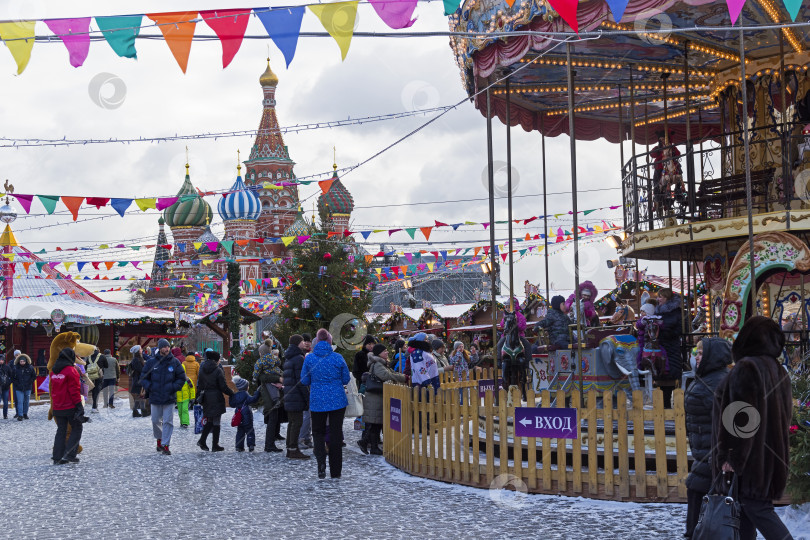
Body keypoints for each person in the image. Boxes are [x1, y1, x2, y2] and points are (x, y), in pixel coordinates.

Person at [712, 316, 793, 540]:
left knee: (756, 508)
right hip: (770, 457)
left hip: (750, 460)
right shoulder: (779, 371)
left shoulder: (746, 368)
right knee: (744, 512)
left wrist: (731, 457)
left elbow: (740, 418)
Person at [683, 338, 731, 538]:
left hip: (713, 454)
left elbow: (727, 421)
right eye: (696, 352)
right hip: (705, 452)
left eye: (701, 353)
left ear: (714, 356)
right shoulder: (707, 378)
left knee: (699, 494)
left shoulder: (716, 383)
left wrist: (725, 454)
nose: (696, 356)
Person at [301, 328, 351, 479]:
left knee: (318, 433)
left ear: (316, 342)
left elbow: (304, 380)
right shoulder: (338, 357)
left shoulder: (309, 359)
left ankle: (321, 464)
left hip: (317, 401)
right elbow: (346, 379)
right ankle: (336, 471)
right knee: (336, 434)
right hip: (337, 400)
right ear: (330, 342)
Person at [139, 339, 187, 455]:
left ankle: (166, 444)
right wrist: (150, 387)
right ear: (160, 348)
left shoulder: (175, 362)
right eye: (164, 347)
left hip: (169, 397)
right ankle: (159, 439)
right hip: (155, 396)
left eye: (167, 347)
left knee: (168, 421)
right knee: (155, 420)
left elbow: (181, 377)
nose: (166, 349)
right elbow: (143, 377)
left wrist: (173, 387)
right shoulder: (151, 362)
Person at [359, 344, 406, 455]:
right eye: (385, 351)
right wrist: (403, 378)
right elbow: (386, 375)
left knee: (377, 423)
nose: (387, 352)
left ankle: (367, 444)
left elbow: (392, 373)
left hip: (378, 396)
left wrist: (402, 376)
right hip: (375, 397)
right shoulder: (378, 364)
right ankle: (367, 443)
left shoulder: (382, 363)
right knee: (375, 423)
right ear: (379, 353)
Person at [50, 347, 85, 464]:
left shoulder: (53, 371)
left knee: (61, 430)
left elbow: (52, 389)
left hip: (58, 405)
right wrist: (79, 406)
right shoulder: (71, 370)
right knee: (77, 427)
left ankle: (57, 456)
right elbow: (74, 391)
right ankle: (69, 454)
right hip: (69, 405)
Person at [197, 350, 234, 452]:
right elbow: (223, 386)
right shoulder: (218, 370)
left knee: (209, 420)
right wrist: (232, 394)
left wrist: (199, 397)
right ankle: (214, 444)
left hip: (206, 397)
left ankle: (203, 440)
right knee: (216, 421)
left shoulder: (202, 369)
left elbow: (199, 384)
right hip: (216, 397)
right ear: (216, 360)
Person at [253, 339, 284, 453]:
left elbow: (257, 377)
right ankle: (269, 445)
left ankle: (270, 444)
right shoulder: (274, 363)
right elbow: (265, 377)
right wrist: (279, 378)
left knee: (273, 418)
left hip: (270, 395)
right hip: (271, 396)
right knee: (272, 419)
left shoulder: (260, 363)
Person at [283, 334, 311, 460]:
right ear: (297, 343)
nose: (304, 343)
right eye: (302, 341)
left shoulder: (288, 357)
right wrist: (307, 396)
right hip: (296, 395)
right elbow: (301, 380)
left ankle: (290, 448)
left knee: (292, 422)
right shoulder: (299, 358)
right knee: (297, 422)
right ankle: (294, 449)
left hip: (289, 394)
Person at [656, 288, 683, 408]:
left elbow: (679, 328)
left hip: (671, 345)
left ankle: (673, 404)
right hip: (661, 345)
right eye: (658, 297)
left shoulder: (676, 312)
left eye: (660, 297)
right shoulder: (658, 312)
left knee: (671, 372)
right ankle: (665, 404)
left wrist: (665, 331)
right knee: (662, 373)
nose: (658, 299)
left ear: (666, 298)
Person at [230, 376, 260, 452]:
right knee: (249, 430)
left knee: (240, 431)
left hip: (239, 415)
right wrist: (257, 393)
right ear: (246, 387)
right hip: (247, 415)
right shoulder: (246, 394)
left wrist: (231, 396)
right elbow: (253, 400)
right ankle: (251, 445)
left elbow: (232, 404)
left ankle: (239, 446)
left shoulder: (235, 395)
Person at [298, 333, 314, 450]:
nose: (307, 343)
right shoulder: (301, 356)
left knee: (309, 415)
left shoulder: (310, 354)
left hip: (308, 387)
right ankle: (302, 438)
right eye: (305, 341)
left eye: (309, 341)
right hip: (303, 388)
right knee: (306, 415)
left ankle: (307, 438)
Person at [11, 353, 36, 420]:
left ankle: (25, 413)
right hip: (18, 388)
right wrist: (17, 384)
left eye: (23, 361)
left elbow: (33, 376)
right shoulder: (15, 368)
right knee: (20, 401)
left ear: (26, 361)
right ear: (19, 361)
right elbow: (13, 378)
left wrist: (29, 383)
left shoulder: (30, 367)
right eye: (21, 361)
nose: (22, 362)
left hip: (27, 387)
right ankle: (20, 415)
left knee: (26, 401)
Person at [128, 345, 147, 418]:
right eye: (140, 349)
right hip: (139, 380)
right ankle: (142, 411)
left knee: (140, 396)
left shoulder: (138, 358)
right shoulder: (136, 359)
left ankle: (136, 411)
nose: (142, 350)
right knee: (141, 396)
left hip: (139, 379)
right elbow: (140, 370)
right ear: (137, 351)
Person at [176, 362, 194, 429]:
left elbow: (192, 388)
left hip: (186, 398)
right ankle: (182, 422)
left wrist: (192, 397)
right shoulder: (175, 380)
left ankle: (185, 423)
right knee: (180, 411)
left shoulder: (187, 380)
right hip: (178, 398)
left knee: (184, 410)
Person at [85, 348, 104, 412]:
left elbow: (86, 366)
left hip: (90, 376)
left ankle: (94, 406)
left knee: (93, 390)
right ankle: (95, 406)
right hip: (98, 375)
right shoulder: (102, 356)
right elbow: (106, 365)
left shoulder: (89, 357)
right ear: (98, 351)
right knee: (97, 390)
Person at [0, 355, 12, 419]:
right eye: (0, 360)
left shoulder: (7, 367)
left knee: (5, 402)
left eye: (2, 360)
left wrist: (8, 383)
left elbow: (11, 376)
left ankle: (5, 415)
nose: (1, 361)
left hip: (6, 387)